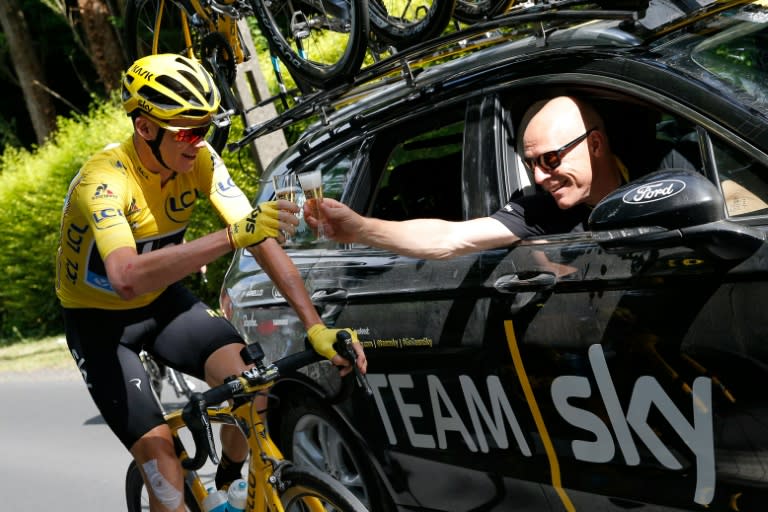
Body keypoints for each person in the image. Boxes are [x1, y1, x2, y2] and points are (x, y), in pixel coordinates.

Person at [55, 53, 366, 512]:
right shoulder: (102, 182)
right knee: (163, 475)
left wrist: (314, 326)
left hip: (163, 304)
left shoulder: (198, 158)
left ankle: (230, 483)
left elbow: (258, 237)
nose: (200, 142)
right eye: (188, 130)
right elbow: (124, 278)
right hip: (101, 326)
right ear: (145, 127)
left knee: (252, 384)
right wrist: (228, 237)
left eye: (206, 128)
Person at [304, 95, 629, 257]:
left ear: (595, 144)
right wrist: (361, 229)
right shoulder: (539, 209)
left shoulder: (670, 164)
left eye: (551, 159)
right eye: (532, 164)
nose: (540, 177)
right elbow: (449, 238)